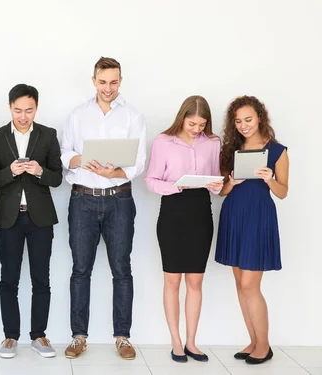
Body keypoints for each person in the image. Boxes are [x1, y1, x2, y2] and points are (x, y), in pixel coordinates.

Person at [60, 57, 147, 359]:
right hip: (82, 199)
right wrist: (82, 159)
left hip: (119, 198)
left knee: (122, 270)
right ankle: (78, 336)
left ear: (120, 81)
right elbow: (63, 154)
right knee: (80, 270)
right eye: (102, 82)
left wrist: (115, 173)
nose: (108, 88)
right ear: (93, 80)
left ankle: (122, 336)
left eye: (113, 82)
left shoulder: (133, 116)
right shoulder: (77, 115)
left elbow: (137, 161)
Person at [144, 95, 223, 363]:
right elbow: (151, 180)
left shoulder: (212, 143)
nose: (196, 129)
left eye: (201, 125)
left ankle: (192, 341)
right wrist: (175, 185)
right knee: (172, 280)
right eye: (192, 123)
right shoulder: (163, 141)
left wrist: (216, 185)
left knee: (195, 281)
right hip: (173, 212)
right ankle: (176, 342)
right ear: (182, 117)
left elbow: (216, 179)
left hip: (201, 211)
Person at [0, 84, 63, 359]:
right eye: (18, 110)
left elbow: (57, 177)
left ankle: (39, 336)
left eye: (28, 110)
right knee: (8, 279)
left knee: (40, 279)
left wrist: (40, 171)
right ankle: (10, 337)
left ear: (36, 108)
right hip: (9, 218)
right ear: (10, 108)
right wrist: (9, 171)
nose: (23, 116)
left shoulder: (48, 134)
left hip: (40, 218)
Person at [215, 95, 289, 365]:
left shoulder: (277, 151)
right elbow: (221, 191)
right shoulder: (230, 151)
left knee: (250, 284)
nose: (243, 125)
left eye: (248, 119)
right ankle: (254, 340)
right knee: (239, 283)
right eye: (238, 121)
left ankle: (265, 345)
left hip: (258, 217)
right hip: (234, 214)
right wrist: (230, 184)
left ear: (260, 117)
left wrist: (270, 179)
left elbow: (283, 192)